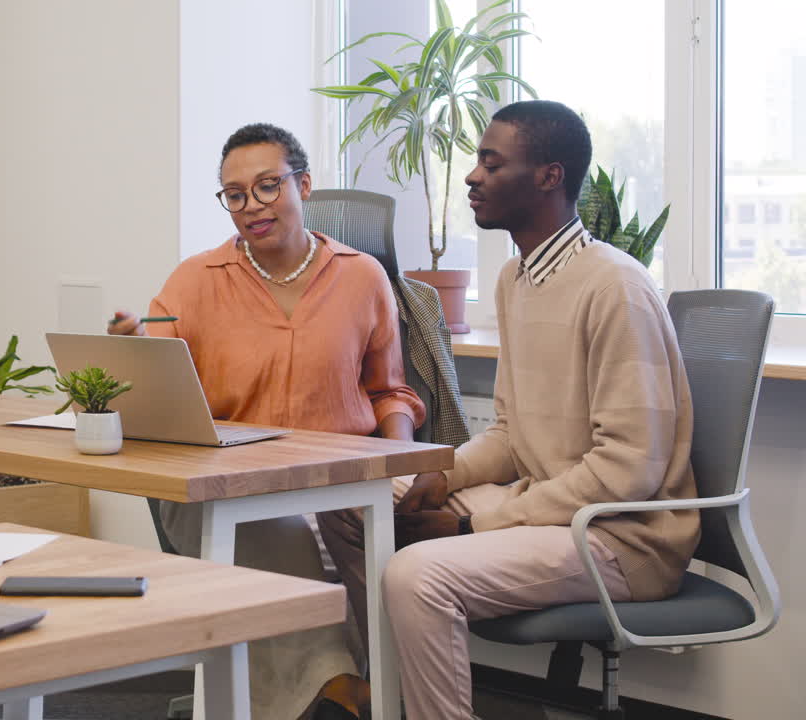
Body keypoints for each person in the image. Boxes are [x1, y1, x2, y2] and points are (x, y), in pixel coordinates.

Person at [321, 100, 699, 719]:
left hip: (620, 536)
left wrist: (472, 526)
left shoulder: (615, 288)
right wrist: (441, 476)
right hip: (548, 507)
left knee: (418, 575)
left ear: (549, 176)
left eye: (491, 164)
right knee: (348, 504)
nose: (473, 177)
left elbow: (627, 471)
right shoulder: (517, 279)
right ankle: (388, 700)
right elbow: (506, 432)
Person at [110, 123, 426, 720]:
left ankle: (338, 690)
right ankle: (338, 683)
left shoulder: (362, 277)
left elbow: (391, 392)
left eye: (266, 187)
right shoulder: (194, 280)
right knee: (271, 530)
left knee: (363, 547)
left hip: (338, 476)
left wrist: (395, 463)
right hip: (228, 477)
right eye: (234, 194)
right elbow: (154, 388)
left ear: (303, 185)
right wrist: (129, 355)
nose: (250, 206)